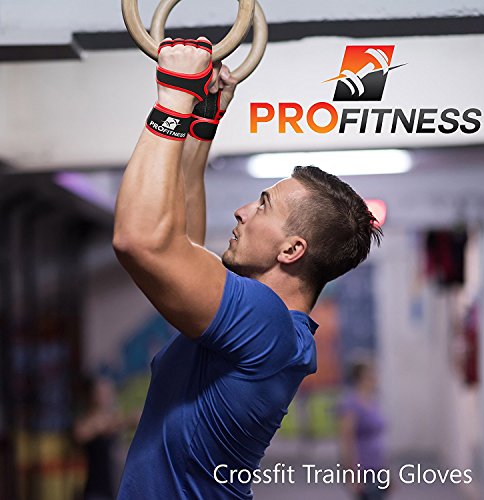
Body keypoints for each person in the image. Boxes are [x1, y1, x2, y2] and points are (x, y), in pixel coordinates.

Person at [113, 37, 382, 499]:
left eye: (262, 205)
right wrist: (201, 123)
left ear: (292, 249)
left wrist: (174, 95)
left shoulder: (265, 324)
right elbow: (183, 245)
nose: (241, 211)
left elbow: (139, 240)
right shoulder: (274, 328)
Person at [338, 357, 388, 500]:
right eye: (371, 374)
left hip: (377, 466)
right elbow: (347, 440)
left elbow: (378, 439)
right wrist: (351, 473)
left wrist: (387, 470)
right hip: (362, 468)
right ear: (361, 378)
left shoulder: (373, 402)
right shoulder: (351, 404)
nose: (375, 377)